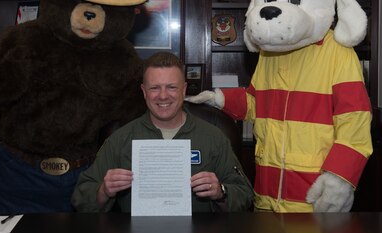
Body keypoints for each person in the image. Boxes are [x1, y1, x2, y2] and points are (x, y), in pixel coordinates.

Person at [71, 52, 254, 213]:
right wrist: (104, 190)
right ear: (144, 92)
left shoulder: (213, 137)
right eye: (154, 88)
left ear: (183, 90)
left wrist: (220, 191)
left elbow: (245, 197)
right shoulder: (120, 139)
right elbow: (80, 199)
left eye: (172, 87)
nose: (163, 96)